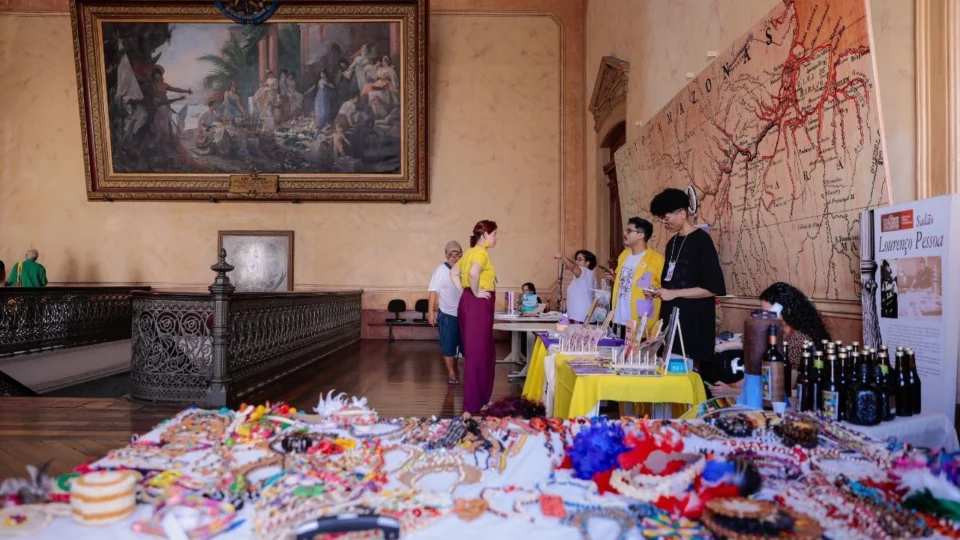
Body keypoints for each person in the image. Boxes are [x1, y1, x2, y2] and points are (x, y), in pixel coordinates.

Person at [648, 188, 726, 375]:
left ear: (682, 214)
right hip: (670, 321)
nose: (665, 223)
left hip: (691, 324)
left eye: (666, 218)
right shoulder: (672, 243)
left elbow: (713, 288)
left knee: (682, 376)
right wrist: (658, 291)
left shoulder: (701, 241)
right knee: (666, 373)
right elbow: (672, 281)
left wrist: (673, 293)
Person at [451, 220, 498, 414]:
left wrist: (466, 292)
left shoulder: (469, 252)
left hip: (470, 302)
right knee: (479, 354)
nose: (495, 238)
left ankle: (480, 399)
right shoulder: (480, 252)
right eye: (494, 234)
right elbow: (473, 272)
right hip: (478, 305)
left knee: (481, 352)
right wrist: (476, 292)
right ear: (485, 234)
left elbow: (454, 273)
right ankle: (472, 404)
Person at [609, 217, 664, 338]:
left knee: (638, 350)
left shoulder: (657, 259)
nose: (624, 233)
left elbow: (665, 289)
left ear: (640, 235)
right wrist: (613, 277)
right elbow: (626, 281)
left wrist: (655, 291)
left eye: (629, 231)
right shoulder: (624, 255)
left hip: (641, 321)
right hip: (619, 318)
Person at [759, 282, 831, 372]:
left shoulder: (799, 339)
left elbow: (792, 375)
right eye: (764, 313)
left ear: (787, 311)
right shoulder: (775, 333)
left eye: (770, 313)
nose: (765, 318)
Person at [428, 240, 464, 385]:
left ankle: (467, 375)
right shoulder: (440, 270)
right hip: (448, 314)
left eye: (457, 255)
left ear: (462, 254)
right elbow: (432, 292)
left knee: (467, 347)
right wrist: (431, 312)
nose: (454, 258)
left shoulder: (466, 268)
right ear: (446, 255)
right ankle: (451, 374)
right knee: (448, 346)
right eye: (451, 255)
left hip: (465, 315)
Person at [555, 250, 597, 323]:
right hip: (584, 317)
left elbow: (573, 267)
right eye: (576, 259)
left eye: (580, 259)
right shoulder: (589, 274)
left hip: (580, 318)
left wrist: (562, 257)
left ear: (587, 262)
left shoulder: (583, 272)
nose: (576, 262)